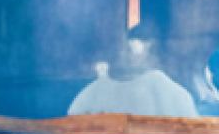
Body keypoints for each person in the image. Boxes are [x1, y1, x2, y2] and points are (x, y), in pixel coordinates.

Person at [68, 19, 197, 118]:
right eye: (127, 49)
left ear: (152, 50)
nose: (127, 55)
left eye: (133, 50)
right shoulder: (99, 88)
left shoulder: (167, 89)